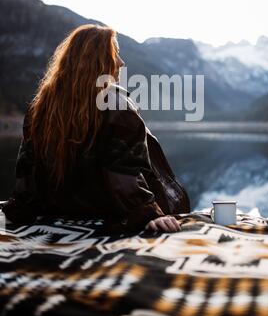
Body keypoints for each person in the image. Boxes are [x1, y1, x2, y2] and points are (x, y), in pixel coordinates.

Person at [1, 24, 190, 233]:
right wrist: (148, 214)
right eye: (115, 54)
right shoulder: (117, 106)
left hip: (55, 212)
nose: (121, 62)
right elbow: (124, 173)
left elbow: (26, 175)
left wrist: (19, 209)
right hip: (107, 215)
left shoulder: (40, 107)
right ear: (99, 61)